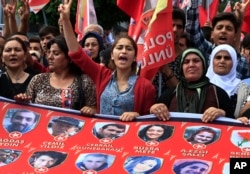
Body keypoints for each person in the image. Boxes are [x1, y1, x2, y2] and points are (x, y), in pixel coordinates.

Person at [58, 0, 156, 121]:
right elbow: (77, 54)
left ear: (135, 57)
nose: (124, 51)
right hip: (101, 137)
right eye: (119, 48)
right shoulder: (102, 75)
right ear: (112, 55)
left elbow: (149, 122)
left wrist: (137, 116)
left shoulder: (146, 87)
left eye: (129, 49)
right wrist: (66, 21)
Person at [14, 35, 97, 113]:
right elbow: (27, 109)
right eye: (49, 52)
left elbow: (93, 109)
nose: (50, 57)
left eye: (56, 53)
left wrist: (90, 110)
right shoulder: (38, 79)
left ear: (70, 58)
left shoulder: (84, 82)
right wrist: (22, 100)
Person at [150, 48, 235, 122]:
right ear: (181, 67)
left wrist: (222, 113)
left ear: (204, 65)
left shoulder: (219, 94)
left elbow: (233, 121)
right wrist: (154, 109)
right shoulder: (169, 94)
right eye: (186, 62)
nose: (191, 65)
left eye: (196, 61)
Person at [185, 0, 249, 79]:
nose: (223, 31)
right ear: (212, 34)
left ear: (235, 35)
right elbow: (192, 31)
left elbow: (246, 88)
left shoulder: (242, 63)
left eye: (229, 29)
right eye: (219, 28)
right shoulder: (206, 51)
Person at [206, 44, 240, 113]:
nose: (222, 61)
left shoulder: (242, 88)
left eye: (227, 58)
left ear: (234, 62)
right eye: (218, 57)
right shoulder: (203, 84)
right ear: (212, 61)